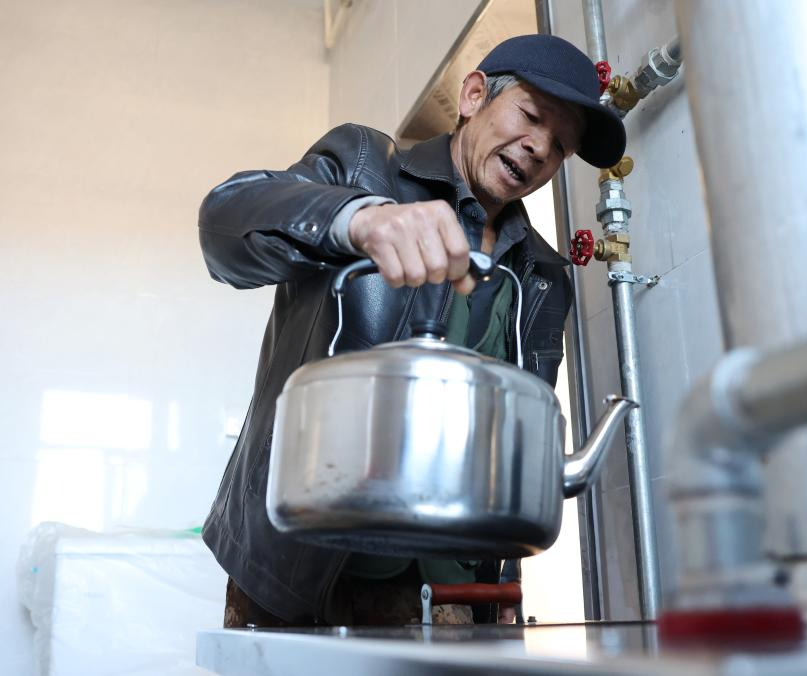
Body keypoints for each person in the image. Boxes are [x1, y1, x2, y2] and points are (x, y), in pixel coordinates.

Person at [198, 33, 625, 628]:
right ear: (473, 95)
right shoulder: (365, 167)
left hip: (451, 590)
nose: (538, 149)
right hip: (298, 570)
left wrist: (504, 582)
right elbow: (223, 228)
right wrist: (356, 221)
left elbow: (516, 448)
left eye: (560, 146)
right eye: (530, 117)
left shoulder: (543, 275)